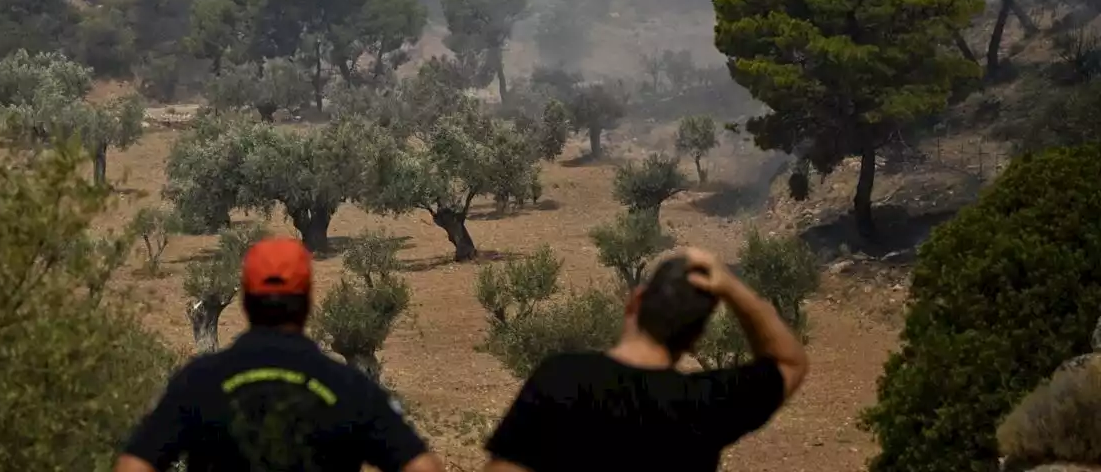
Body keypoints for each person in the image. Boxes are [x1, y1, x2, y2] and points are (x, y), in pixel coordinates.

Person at [113, 237, 445, 472]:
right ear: (308, 301)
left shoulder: (198, 382)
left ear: (244, 301)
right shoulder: (349, 387)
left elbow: (133, 465)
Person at [483, 246, 809, 472]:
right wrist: (731, 287)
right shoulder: (706, 404)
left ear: (635, 301)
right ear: (696, 337)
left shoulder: (561, 378)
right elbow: (789, 362)